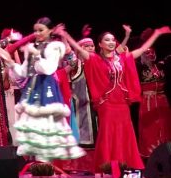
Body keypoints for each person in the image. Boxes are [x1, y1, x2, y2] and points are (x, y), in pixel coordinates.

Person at [57, 24, 170, 170]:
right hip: (107, 103)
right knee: (107, 134)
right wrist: (65, 35)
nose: (111, 42)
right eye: (107, 40)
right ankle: (106, 166)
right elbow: (78, 48)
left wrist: (157, 33)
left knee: (125, 133)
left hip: (122, 103)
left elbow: (142, 49)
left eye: (112, 39)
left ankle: (125, 165)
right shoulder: (95, 59)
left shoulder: (122, 59)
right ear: (100, 44)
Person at [0, 17, 84, 162]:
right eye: (35, 30)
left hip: (47, 88)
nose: (37, 33)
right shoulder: (33, 48)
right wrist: (10, 62)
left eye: (41, 30)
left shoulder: (54, 47)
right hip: (33, 89)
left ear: (50, 31)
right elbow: (24, 72)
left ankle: (47, 165)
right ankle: (37, 165)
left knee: (47, 127)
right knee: (34, 128)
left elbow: (48, 69)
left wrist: (36, 55)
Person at [137, 38, 170, 157]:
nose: (150, 55)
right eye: (147, 53)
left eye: (152, 52)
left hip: (162, 100)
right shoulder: (139, 68)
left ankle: (166, 152)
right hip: (148, 102)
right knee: (150, 128)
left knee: (165, 126)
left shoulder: (160, 66)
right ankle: (150, 154)